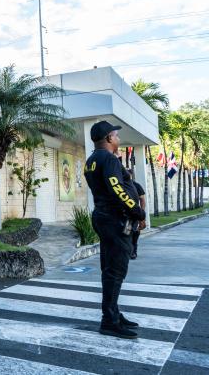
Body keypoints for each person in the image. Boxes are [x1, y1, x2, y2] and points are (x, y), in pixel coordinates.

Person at [84, 121, 146, 339]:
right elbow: (116, 188)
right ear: (109, 139)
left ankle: (114, 314)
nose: (119, 139)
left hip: (104, 218)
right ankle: (109, 320)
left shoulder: (92, 160)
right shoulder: (108, 158)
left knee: (110, 269)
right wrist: (137, 211)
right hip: (114, 219)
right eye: (116, 135)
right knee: (116, 270)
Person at [127, 169, 146, 260]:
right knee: (127, 232)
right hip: (123, 214)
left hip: (134, 213)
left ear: (131, 175)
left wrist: (141, 214)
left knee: (134, 232)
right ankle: (129, 250)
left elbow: (142, 200)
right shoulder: (121, 185)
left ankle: (133, 250)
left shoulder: (136, 186)